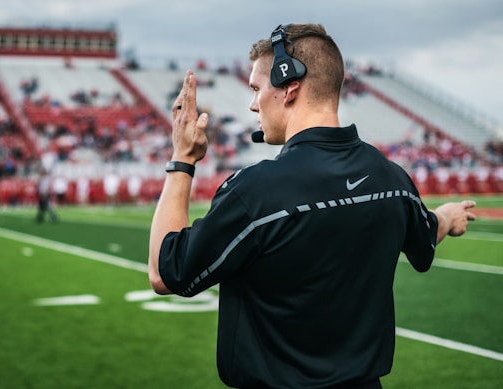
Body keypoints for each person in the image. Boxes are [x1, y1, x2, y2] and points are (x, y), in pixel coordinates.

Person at [148, 23, 477, 389]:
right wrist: (447, 216)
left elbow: (166, 273)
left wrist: (182, 161)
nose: (253, 104)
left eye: (257, 89)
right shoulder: (392, 179)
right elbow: (426, 233)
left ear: (290, 87)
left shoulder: (255, 190)